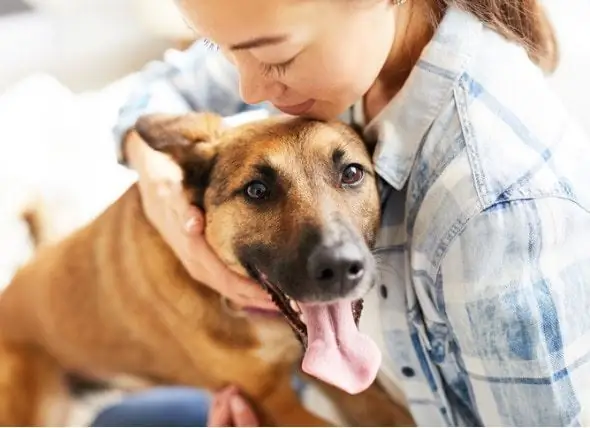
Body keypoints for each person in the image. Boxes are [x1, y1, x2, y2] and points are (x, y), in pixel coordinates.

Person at [102, 0, 590, 425]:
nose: (247, 90)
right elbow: (158, 91)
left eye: (277, 56)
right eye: (225, 50)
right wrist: (163, 193)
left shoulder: (491, 209)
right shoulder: (345, 39)